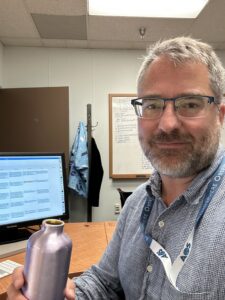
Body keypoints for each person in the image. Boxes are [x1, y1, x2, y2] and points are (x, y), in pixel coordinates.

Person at [7, 36, 225, 299]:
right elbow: (105, 282)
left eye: (190, 104)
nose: (167, 124)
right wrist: (64, 295)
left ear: (220, 115)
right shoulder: (136, 204)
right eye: (152, 105)